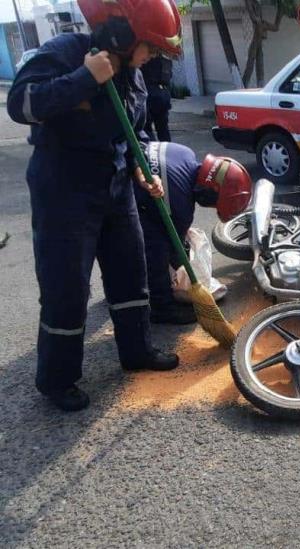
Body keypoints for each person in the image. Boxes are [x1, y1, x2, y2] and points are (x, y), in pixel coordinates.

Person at [7, 0, 184, 412]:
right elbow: (22, 104)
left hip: (116, 189)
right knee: (66, 289)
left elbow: (134, 130)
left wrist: (143, 168)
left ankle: (137, 352)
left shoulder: (134, 76)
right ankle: (57, 380)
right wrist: (84, 78)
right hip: (63, 195)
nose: (152, 57)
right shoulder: (66, 53)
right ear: (122, 35)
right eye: (150, 47)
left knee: (131, 274)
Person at [135, 142, 251, 324]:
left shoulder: (184, 152)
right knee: (158, 247)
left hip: (122, 173)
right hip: (119, 198)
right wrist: (189, 278)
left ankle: (126, 285)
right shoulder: (181, 207)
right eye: (215, 204)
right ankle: (161, 307)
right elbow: (174, 250)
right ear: (210, 193)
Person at [141, 55, 173, 141]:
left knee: (146, 128)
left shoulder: (146, 58)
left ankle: (152, 152)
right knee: (163, 128)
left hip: (149, 94)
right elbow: (169, 76)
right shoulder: (166, 59)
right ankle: (166, 151)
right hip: (163, 94)